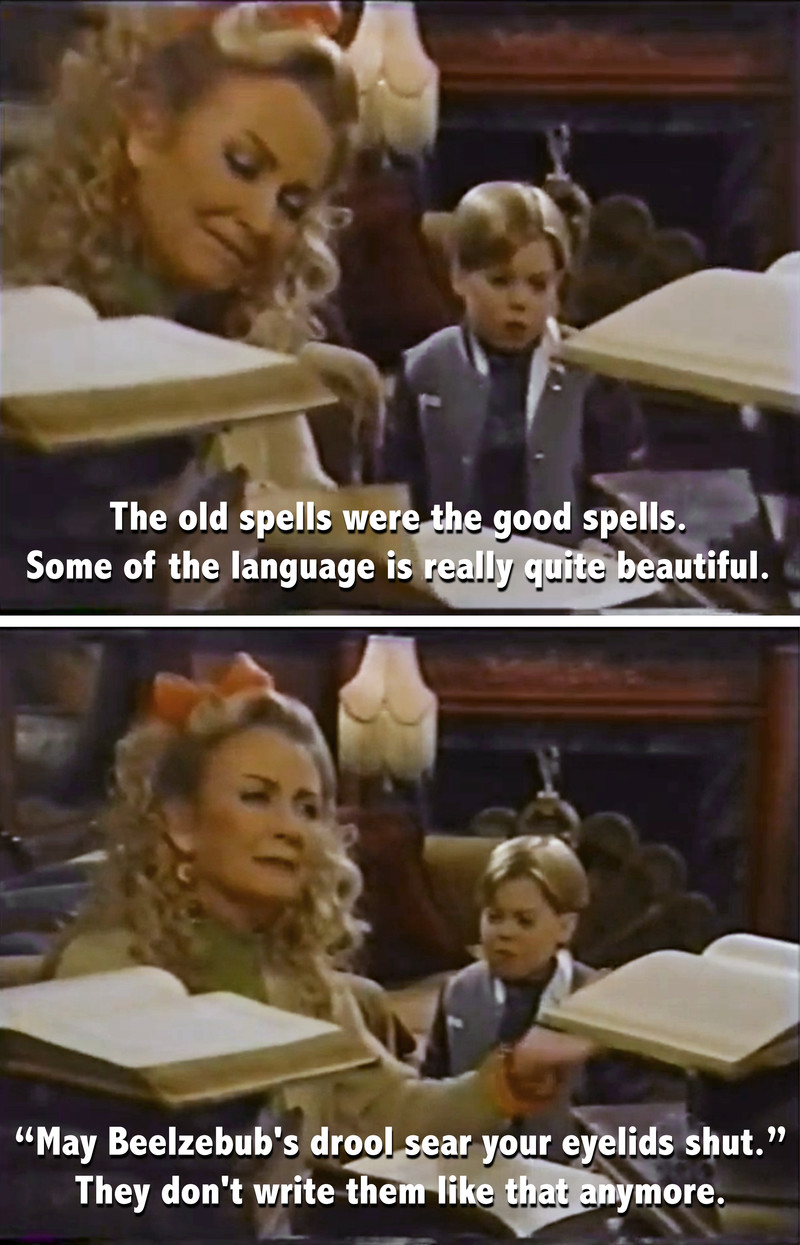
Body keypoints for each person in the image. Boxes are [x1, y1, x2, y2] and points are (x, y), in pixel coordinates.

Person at [47, 656, 593, 1214]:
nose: (291, 828)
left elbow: (394, 1115)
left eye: (307, 808)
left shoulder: (305, 984)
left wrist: (508, 1079)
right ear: (181, 823)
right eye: (257, 797)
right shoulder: (105, 970)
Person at [0, 1, 383, 609]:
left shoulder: (234, 342)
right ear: (146, 125)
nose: (263, 221)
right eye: (243, 165)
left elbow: (312, 505)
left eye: (291, 203)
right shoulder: (37, 315)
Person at [381, 177, 645, 536]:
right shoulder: (424, 368)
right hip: (454, 560)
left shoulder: (592, 373)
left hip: (560, 562)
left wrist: (601, 540)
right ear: (459, 276)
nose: (520, 301)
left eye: (538, 284)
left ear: (558, 284)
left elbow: (618, 482)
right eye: (500, 281)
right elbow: (399, 485)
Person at [421, 835, 594, 1149]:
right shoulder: (459, 992)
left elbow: (628, 1117)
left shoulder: (598, 1003)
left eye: (524, 921)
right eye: (494, 916)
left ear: (565, 927)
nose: (504, 932)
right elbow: (430, 1092)